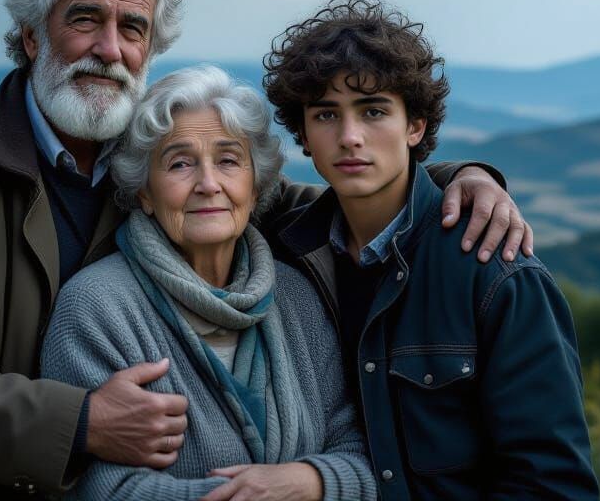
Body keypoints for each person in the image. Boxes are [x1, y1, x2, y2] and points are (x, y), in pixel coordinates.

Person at [0, 0, 529, 500]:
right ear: (32, 36)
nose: (109, 48)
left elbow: (321, 203)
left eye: (132, 28)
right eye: (84, 18)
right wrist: (81, 420)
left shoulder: (153, 142)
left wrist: (455, 178)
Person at [264, 0, 599, 500]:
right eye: (327, 115)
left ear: (415, 126)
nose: (350, 136)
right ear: (304, 135)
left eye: (373, 111)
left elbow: (552, 485)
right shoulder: (284, 255)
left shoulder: (495, 271)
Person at [42, 66, 376, 501]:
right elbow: (100, 488)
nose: (208, 184)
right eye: (180, 163)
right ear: (144, 191)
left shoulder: (297, 296)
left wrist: (310, 483)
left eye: (228, 160)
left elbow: (367, 456)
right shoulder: (96, 308)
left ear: (255, 187)